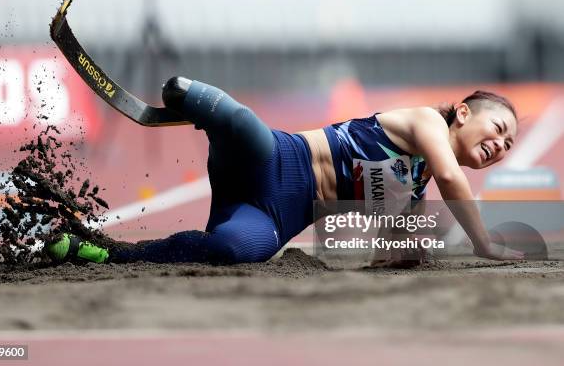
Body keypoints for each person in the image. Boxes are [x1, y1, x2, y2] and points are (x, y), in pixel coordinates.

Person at [45, 77, 523, 264]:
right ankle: (184, 94)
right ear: (462, 112)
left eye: (508, 145)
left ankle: (105, 252)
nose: (500, 145)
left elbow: (388, 254)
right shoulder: (424, 122)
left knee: (234, 251)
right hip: (272, 156)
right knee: (239, 121)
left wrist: (405, 252)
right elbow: (454, 181)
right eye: (499, 128)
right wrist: (484, 244)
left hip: (277, 213)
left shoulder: (417, 189)